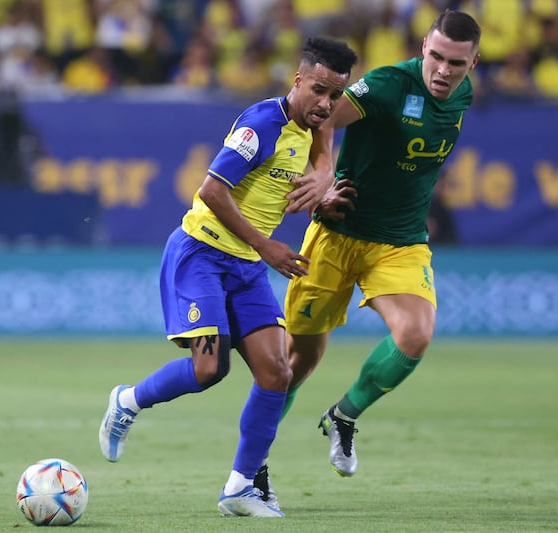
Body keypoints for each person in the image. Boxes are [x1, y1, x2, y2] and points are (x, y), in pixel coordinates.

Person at [98, 37, 358, 518]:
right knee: (209, 370)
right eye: (319, 90)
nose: (326, 104)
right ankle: (128, 400)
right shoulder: (262, 124)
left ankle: (240, 488)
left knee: (277, 371)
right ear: (298, 79)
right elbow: (212, 190)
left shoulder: (315, 124)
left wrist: (323, 184)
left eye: (335, 96)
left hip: (246, 265)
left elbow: (324, 152)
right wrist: (267, 245)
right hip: (202, 253)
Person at [255, 9, 481, 499]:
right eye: (436, 57)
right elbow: (322, 116)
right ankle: (253, 466)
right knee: (297, 361)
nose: (443, 71)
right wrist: (324, 176)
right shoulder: (386, 86)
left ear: (473, 63)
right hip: (337, 235)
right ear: (423, 46)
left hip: (399, 241)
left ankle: (344, 415)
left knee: (415, 335)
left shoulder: (463, 95)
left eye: (456, 64)